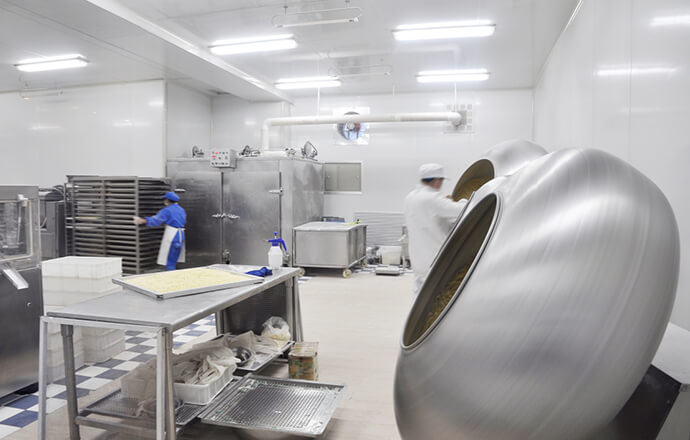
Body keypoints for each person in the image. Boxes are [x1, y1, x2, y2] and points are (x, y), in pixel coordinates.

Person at [404, 163, 467, 294]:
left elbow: (432, 214)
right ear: (437, 180)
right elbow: (461, 210)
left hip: (418, 260)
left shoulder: (411, 197)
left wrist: (444, 203)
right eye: (441, 180)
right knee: (439, 296)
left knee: (420, 296)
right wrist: (463, 201)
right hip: (435, 261)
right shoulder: (433, 199)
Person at [134, 191, 186, 271]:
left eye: (165, 199)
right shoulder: (181, 209)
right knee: (173, 259)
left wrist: (142, 220)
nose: (164, 201)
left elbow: (156, 220)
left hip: (172, 236)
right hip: (180, 236)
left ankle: (170, 276)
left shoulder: (167, 210)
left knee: (169, 262)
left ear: (167, 200)